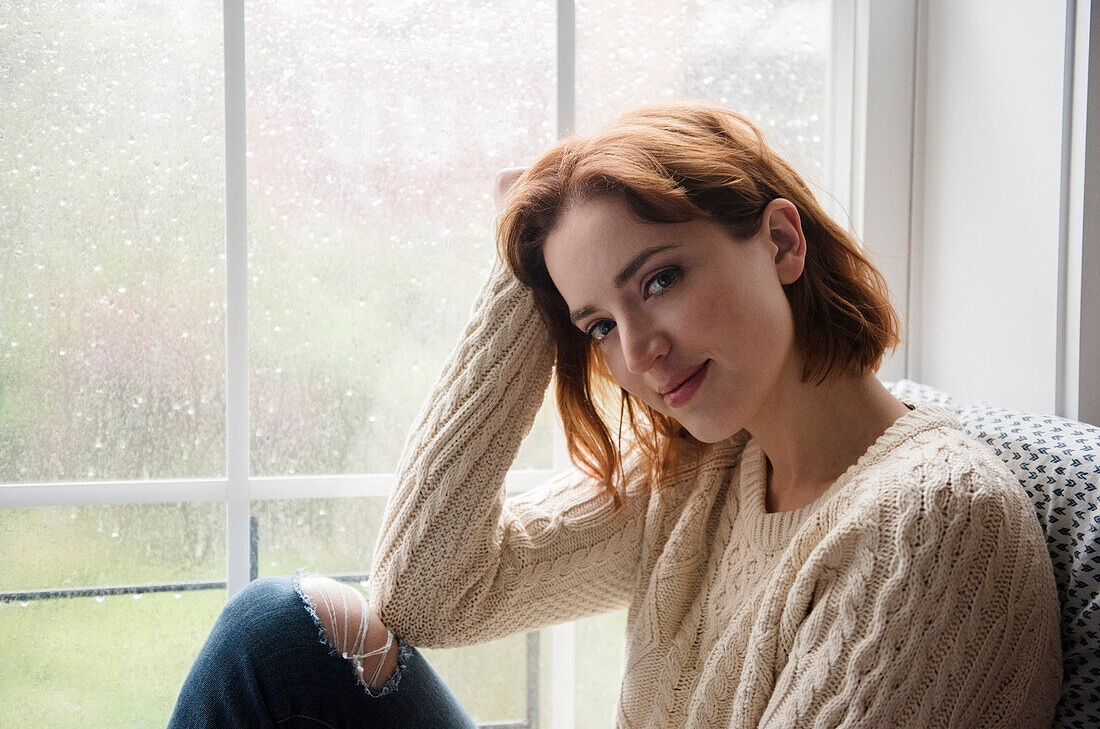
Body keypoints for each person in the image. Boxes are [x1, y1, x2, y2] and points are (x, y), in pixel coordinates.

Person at [170, 101, 1062, 728]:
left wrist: (564, 244)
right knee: (281, 632)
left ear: (783, 242)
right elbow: (429, 595)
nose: (636, 353)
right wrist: (531, 266)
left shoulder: (930, 519)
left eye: (661, 279)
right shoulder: (708, 468)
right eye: (598, 322)